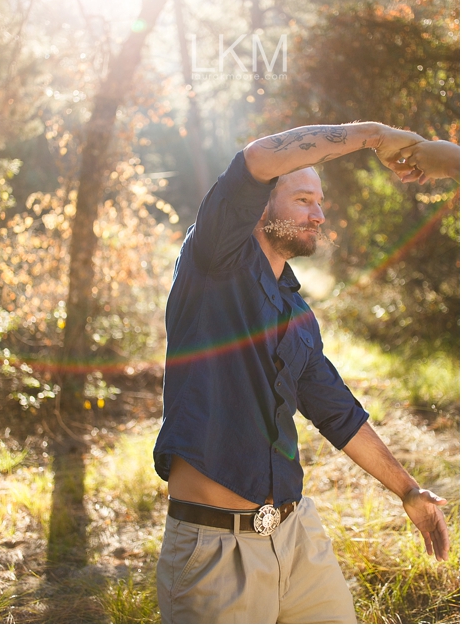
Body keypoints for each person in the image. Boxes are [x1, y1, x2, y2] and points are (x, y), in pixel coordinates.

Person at [152, 122, 452, 624]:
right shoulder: (212, 259)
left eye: (320, 202)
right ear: (260, 206)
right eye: (304, 199)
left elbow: (338, 413)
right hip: (215, 550)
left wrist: (408, 491)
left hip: (295, 536)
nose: (319, 213)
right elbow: (255, 159)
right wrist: (376, 136)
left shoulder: (297, 314)